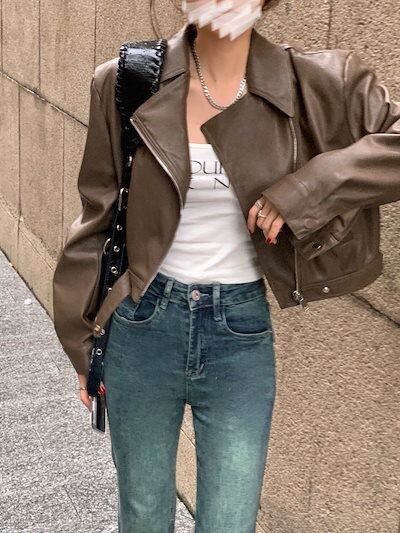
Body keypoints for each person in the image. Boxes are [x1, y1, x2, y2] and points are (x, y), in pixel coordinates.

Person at [52, 0, 400, 531]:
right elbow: (97, 218)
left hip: (239, 333)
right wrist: (82, 344)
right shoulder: (126, 81)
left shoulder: (318, 82)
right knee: (142, 514)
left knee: (230, 522)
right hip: (142, 323)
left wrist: (307, 190)